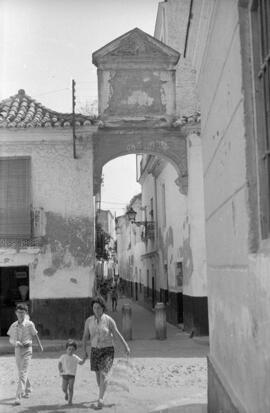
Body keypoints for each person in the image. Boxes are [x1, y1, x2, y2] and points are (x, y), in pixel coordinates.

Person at [82, 296, 130, 409]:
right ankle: (102, 392)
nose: (96, 310)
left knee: (103, 373)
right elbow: (85, 336)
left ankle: (100, 399)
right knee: (98, 376)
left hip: (107, 350)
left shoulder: (109, 320)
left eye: (99, 308)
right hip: (94, 350)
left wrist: (126, 346)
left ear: (103, 308)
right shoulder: (88, 321)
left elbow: (117, 334)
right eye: (94, 308)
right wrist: (84, 351)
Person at [7, 303, 43, 405]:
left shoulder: (30, 324)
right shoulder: (13, 325)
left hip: (27, 350)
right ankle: (28, 388)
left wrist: (40, 345)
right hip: (18, 350)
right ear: (16, 313)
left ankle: (18, 396)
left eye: (23, 313)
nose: (21, 315)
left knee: (23, 372)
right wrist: (15, 342)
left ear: (26, 313)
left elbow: (35, 335)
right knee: (21, 372)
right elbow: (10, 339)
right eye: (19, 312)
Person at [58, 339, 86, 405]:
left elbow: (81, 363)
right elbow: (59, 363)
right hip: (64, 375)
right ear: (66, 349)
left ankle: (70, 401)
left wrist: (84, 359)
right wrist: (60, 369)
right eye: (69, 349)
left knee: (71, 388)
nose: (71, 351)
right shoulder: (63, 357)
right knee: (64, 388)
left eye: (73, 349)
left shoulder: (75, 357)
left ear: (75, 350)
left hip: (72, 375)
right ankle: (66, 393)